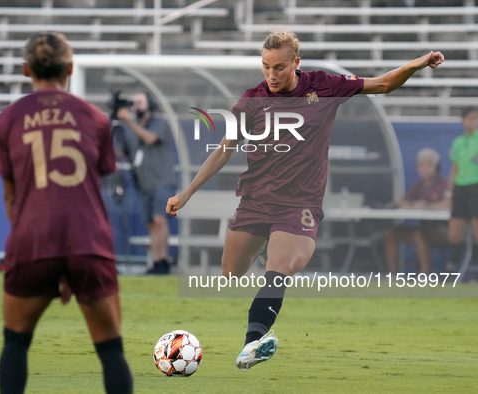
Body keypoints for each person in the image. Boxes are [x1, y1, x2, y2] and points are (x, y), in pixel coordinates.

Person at [166, 30, 444, 371]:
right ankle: (265, 269)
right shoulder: (252, 100)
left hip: (300, 205)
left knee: (277, 270)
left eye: (279, 67)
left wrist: (417, 64)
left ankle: (252, 343)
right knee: (230, 272)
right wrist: (188, 192)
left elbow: (384, 84)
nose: (271, 74)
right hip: (255, 201)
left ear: (296, 63)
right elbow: (225, 149)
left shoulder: (325, 86)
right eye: (266, 66)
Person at [0, 31, 133, 394]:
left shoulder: (5, 121)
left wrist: (36, 248)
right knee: (111, 349)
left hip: (32, 238)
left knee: (15, 343)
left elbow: (10, 197)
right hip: (88, 241)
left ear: (25, 69)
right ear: (70, 67)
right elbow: (90, 189)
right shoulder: (96, 119)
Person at [116, 92, 176, 274]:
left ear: (149, 104)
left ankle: (163, 260)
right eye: (134, 103)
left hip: (162, 181)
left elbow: (149, 138)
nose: (136, 106)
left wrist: (128, 122)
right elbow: (119, 153)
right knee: (150, 223)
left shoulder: (159, 122)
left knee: (159, 219)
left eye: (140, 102)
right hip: (144, 184)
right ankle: (156, 262)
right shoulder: (131, 129)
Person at [384, 148, 450, 274]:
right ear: (417, 168)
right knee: (392, 233)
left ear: (437, 167)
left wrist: (427, 206)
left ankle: (425, 275)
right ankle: (393, 275)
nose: (425, 168)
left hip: (442, 231)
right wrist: (414, 204)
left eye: (429, 165)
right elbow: (401, 202)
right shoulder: (419, 184)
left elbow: (448, 204)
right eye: (422, 165)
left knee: (420, 235)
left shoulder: (444, 183)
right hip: (424, 228)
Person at [445, 107, 478, 272]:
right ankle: (451, 270)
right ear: (463, 121)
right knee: (454, 233)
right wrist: (449, 193)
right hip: (460, 189)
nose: (474, 122)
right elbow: (454, 169)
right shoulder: (458, 142)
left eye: (476, 118)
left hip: (476, 187)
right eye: (471, 118)